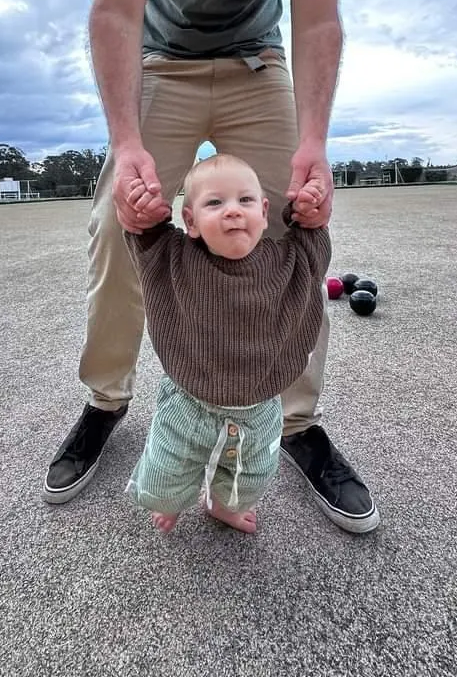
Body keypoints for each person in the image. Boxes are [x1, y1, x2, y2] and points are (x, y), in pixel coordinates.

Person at [42, 0, 381, 534]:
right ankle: (106, 399)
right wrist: (126, 145)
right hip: (160, 58)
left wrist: (314, 142)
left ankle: (294, 421)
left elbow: (320, 17)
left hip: (258, 59)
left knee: (291, 222)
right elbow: (116, 10)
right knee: (118, 225)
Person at [123, 153, 331, 534]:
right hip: (188, 404)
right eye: (215, 203)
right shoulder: (176, 258)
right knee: (163, 477)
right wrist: (147, 215)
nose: (233, 211)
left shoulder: (286, 261)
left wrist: (309, 214)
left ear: (265, 212)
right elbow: (147, 240)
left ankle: (222, 506)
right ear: (191, 221)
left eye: (245, 200)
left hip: (260, 410)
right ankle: (173, 500)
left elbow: (312, 248)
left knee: (247, 481)